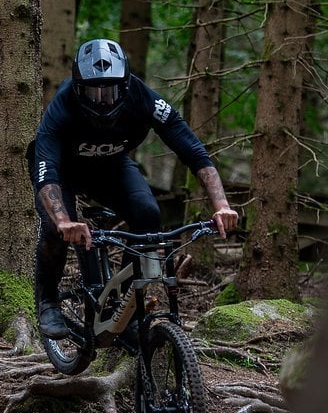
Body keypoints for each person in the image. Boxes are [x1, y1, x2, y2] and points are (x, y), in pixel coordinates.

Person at [29, 38, 239, 339]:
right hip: (60, 171)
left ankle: (124, 308)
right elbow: (45, 168)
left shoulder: (144, 98)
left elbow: (193, 151)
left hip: (110, 166)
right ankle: (48, 301)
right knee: (53, 228)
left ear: (125, 86)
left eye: (111, 90)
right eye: (93, 90)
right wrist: (64, 220)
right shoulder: (62, 105)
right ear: (78, 88)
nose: (102, 99)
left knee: (148, 215)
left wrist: (221, 205)